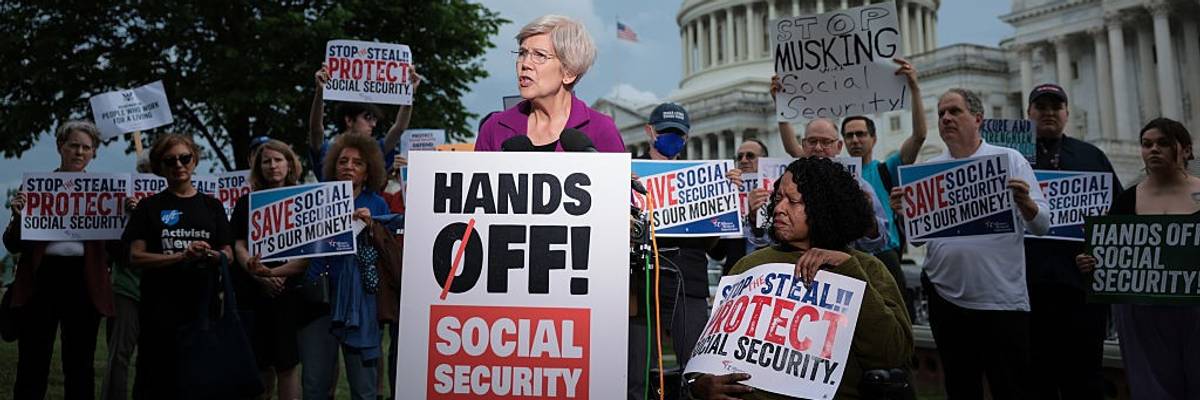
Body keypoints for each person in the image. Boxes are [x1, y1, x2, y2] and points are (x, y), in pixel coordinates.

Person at [688, 157, 913, 399]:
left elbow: (893, 353)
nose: (778, 209)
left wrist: (849, 272)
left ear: (824, 207)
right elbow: (710, 353)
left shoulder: (866, 268)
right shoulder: (749, 265)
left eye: (793, 201)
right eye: (777, 199)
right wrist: (699, 385)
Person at [888, 88, 1050, 399]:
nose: (945, 118)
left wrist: (1026, 203)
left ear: (977, 118)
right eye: (941, 113)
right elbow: (920, 238)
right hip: (946, 299)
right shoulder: (927, 172)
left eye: (954, 111)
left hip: (1001, 301)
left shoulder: (1009, 160)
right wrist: (904, 214)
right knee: (961, 387)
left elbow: (1042, 225)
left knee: (1011, 387)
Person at [254, 134, 390, 400]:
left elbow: (388, 256)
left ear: (367, 171)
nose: (348, 166)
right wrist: (270, 271)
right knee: (314, 385)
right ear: (332, 167)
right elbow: (307, 258)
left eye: (357, 163)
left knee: (364, 388)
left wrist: (371, 227)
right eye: (342, 161)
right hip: (318, 304)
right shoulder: (317, 201)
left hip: (360, 306)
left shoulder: (377, 204)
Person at [1076, 118, 1200, 399]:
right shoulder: (1127, 198)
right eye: (1147, 144)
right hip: (1142, 311)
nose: (1153, 149)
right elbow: (1107, 253)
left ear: (1186, 150)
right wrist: (1089, 261)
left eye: (1163, 143)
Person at [5, 121, 119, 400]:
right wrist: (19, 216)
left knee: (80, 363)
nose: (79, 152)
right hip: (41, 279)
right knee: (32, 360)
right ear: (60, 147)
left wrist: (127, 216)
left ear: (93, 153)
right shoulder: (35, 188)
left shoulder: (107, 192)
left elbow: (118, 249)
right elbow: (12, 243)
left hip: (85, 280)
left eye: (86, 147)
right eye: (74, 145)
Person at [1022, 83, 1121, 399]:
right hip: (1028, 287)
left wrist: (1097, 254)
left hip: (1080, 286)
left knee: (1085, 376)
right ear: (1029, 113)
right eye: (1041, 107)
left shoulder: (1092, 156)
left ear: (1066, 113)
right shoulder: (1012, 160)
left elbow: (1115, 217)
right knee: (1037, 376)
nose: (1049, 112)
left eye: (1056, 106)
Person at [123, 134, 234, 398]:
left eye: (185, 158)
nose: (178, 165)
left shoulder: (212, 205)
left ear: (195, 160)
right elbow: (135, 256)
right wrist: (181, 256)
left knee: (198, 380)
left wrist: (212, 256)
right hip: (157, 309)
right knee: (155, 381)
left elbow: (228, 253)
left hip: (202, 309)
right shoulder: (149, 207)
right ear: (159, 167)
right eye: (170, 160)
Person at [628, 102, 715, 400]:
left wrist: (725, 206)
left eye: (678, 134)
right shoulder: (628, 174)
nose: (672, 138)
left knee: (696, 370)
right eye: (665, 132)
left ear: (687, 138)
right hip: (639, 282)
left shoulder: (705, 180)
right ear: (650, 131)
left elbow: (713, 247)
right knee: (635, 373)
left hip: (688, 281)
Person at [475, 14, 624, 152]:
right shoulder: (494, 128)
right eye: (522, 53)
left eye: (540, 55)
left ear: (569, 72)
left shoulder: (601, 129)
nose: (525, 63)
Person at [232, 139, 308, 400]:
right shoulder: (246, 203)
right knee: (259, 365)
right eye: (266, 161)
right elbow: (238, 244)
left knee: (288, 366)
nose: (272, 165)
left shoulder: (305, 200)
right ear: (258, 167)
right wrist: (258, 273)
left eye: (278, 159)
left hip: (289, 294)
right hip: (254, 294)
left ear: (289, 164)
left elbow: (310, 253)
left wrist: (276, 274)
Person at [309, 65, 420, 178]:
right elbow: (316, 130)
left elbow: (399, 128)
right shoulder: (327, 150)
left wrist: (409, 93)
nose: (373, 124)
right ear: (349, 120)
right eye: (367, 118)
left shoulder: (376, 150)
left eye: (358, 163)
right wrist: (320, 91)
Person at [100, 154, 152, 400]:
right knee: (119, 355)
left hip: (162, 291)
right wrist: (133, 219)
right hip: (127, 289)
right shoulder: (122, 203)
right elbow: (113, 246)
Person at [709, 139, 771, 274]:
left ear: (765, 161)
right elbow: (716, 253)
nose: (743, 160)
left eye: (750, 156)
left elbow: (771, 241)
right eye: (739, 157)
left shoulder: (778, 194)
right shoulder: (728, 197)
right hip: (734, 277)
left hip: (766, 275)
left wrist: (754, 217)